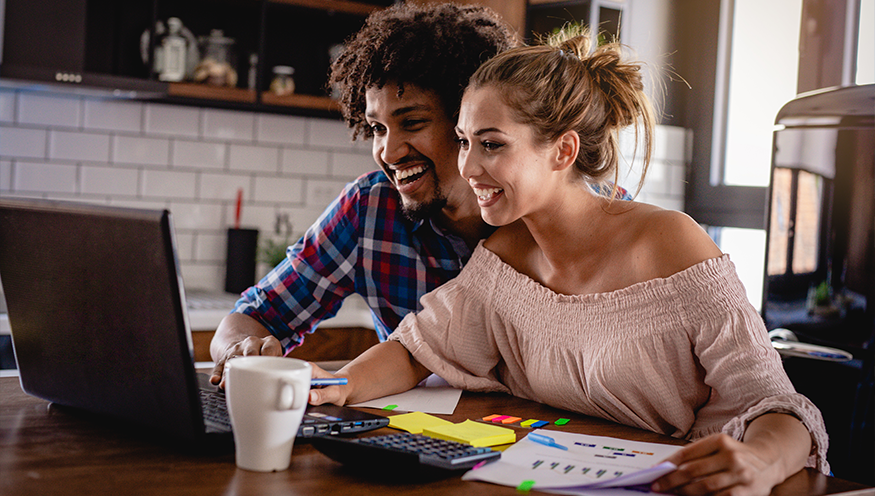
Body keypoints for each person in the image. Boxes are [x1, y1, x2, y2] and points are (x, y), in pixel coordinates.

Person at [308, 29, 830, 495]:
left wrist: (759, 460)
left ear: (562, 151)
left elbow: (778, 406)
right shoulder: (504, 256)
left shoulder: (671, 243)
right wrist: (341, 384)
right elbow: (417, 349)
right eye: (464, 142)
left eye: (491, 144)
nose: (467, 166)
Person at [209, 3, 519, 386]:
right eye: (377, 128)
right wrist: (239, 350)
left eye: (412, 123)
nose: (388, 153)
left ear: (468, 121)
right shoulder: (369, 209)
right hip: (417, 436)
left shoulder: (543, 209)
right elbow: (254, 315)